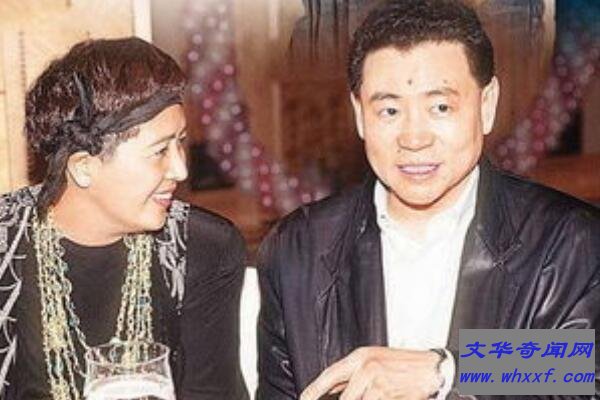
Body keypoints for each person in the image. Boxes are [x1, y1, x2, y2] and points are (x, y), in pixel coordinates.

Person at [256, 0, 600, 399]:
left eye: (440, 107)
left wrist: (450, 370)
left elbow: (585, 368)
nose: (414, 138)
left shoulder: (569, 241)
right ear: (359, 114)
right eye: (389, 111)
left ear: (487, 104)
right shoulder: (298, 249)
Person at [0, 37, 249, 400]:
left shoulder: (204, 248)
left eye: (180, 142)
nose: (180, 170)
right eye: (160, 151)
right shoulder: (7, 241)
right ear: (83, 168)